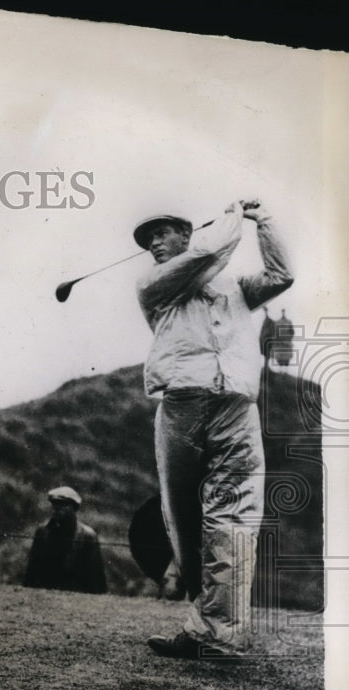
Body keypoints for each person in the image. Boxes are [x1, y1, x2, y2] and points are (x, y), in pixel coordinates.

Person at [134, 198, 292, 660]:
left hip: (236, 405)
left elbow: (281, 275)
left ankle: (215, 633)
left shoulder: (236, 287)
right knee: (183, 516)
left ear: (185, 232)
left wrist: (263, 220)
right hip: (182, 404)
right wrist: (230, 216)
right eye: (148, 240)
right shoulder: (155, 284)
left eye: (162, 233)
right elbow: (208, 255)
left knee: (234, 517)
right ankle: (199, 616)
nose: (154, 245)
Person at [24, 486, 107, 594]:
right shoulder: (43, 531)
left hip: (77, 597)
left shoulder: (87, 535)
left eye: (63, 506)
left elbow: (96, 577)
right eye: (55, 505)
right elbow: (32, 571)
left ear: (74, 508)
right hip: (45, 595)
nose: (57, 510)